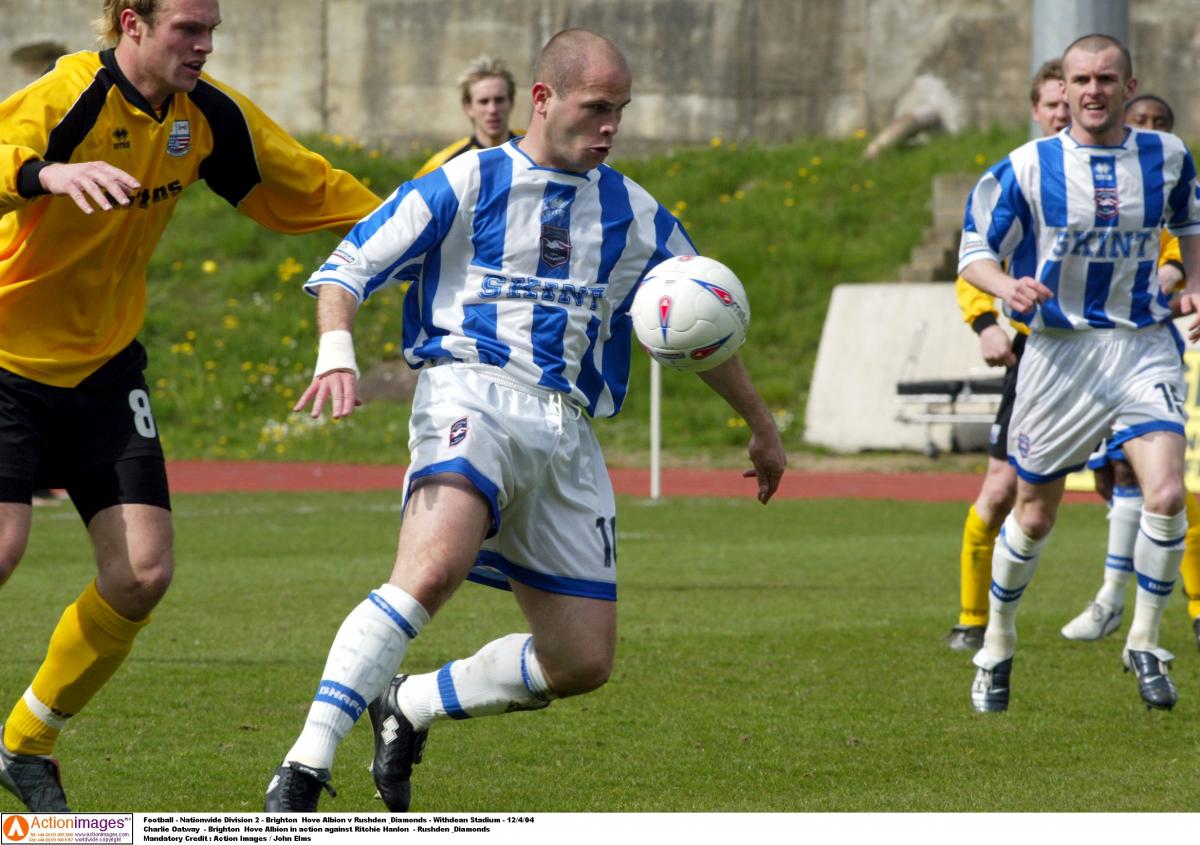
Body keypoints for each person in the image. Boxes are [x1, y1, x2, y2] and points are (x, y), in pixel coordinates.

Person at [263, 28, 787, 812]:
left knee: (581, 661)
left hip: (566, 433)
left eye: (622, 110)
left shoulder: (639, 216)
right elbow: (348, 266)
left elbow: (701, 321)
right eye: (597, 107)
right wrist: (335, 349)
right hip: (470, 392)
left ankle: (410, 705)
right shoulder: (466, 181)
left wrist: (760, 421)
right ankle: (304, 766)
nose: (612, 125)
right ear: (543, 100)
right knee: (430, 571)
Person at [0, 0, 379, 812]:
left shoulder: (205, 115)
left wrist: (418, 223)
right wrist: (45, 174)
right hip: (5, 360)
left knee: (141, 573)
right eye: (188, 29)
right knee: (2, 544)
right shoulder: (68, 95)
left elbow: (306, 183)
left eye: (211, 31)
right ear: (130, 22)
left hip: (103, 371)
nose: (205, 46)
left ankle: (25, 742)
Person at [959, 33, 1200, 713]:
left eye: (1105, 78)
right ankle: (997, 645)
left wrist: (1195, 284)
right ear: (1061, 91)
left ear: (1129, 86)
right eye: (1079, 80)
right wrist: (1005, 287)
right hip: (1058, 355)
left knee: (1165, 493)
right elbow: (974, 252)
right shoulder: (1028, 167)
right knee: (1033, 513)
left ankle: (1146, 642)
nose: (1091, 91)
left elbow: (1191, 224)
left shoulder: (1168, 155)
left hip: (1141, 342)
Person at [1060, 94, 1200, 647]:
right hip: (1084, 353)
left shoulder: (1173, 191)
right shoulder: (1090, 188)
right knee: (1112, 477)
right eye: (1139, 121)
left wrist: (1174, 278)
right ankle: (1114, 598)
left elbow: (1177, 256)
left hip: (1149, 349)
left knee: (1161, 485)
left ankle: (1134, 606)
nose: (1147, 131)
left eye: (1159, 123)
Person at [946, 60, 1070, 652]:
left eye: (1068, 101)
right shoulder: (1020, 177)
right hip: (1039, 351)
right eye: (1052, 104)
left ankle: (1176, 618)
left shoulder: (1124, 177)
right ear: (1037, 110)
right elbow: (977, 253)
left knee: (1156, 483)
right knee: (1000, 490)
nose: (1063, 112)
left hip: (1122, 350)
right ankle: (973, 620)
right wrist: (984, 324)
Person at [412, 55, 521, 178]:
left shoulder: (535, 150)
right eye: (483, 101)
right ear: (468, 107)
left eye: (499, 100)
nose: (492, 109)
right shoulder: (443, 165)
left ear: (511, 102)